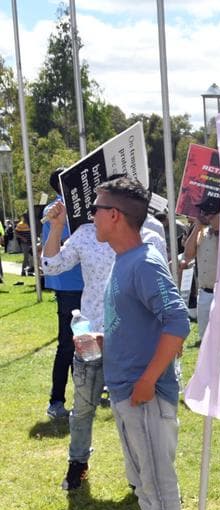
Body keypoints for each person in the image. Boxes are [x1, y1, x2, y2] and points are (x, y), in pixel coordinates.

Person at [93, 176, 191, 510]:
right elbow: (141, 322)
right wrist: (103, 340)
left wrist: (149, 380)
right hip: (126, 388)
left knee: (156, 476)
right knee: (141, 477)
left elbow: (177, 322)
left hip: (144, 391)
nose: (92, 216)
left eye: (96, 208)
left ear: (115, 216)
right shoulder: (126, 258)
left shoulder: (145, 262)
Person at [41, 191, 167, 490]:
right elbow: (51, 266)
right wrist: (58, 227)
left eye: (99, 206)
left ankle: (140, 475)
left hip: (134, 341)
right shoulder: (86, 234)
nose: (92, 210)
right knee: (83, 407)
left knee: (135, 412)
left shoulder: (151, 236)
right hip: (91, 336)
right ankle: (77, 463)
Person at [40, 169, 82, 421]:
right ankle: (56, 401)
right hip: (69, 287)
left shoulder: (71, 207)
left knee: (86, 343)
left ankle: (86, 393)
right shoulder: (56, 210)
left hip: (81, 285)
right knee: (67, 345)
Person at [181, 193, 220, 345]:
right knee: (205, 339)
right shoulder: (202, 233)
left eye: (209, 214)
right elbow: (188, 254)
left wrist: (219, 229)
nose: (205, 217)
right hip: (204, 292)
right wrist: (197, 226)